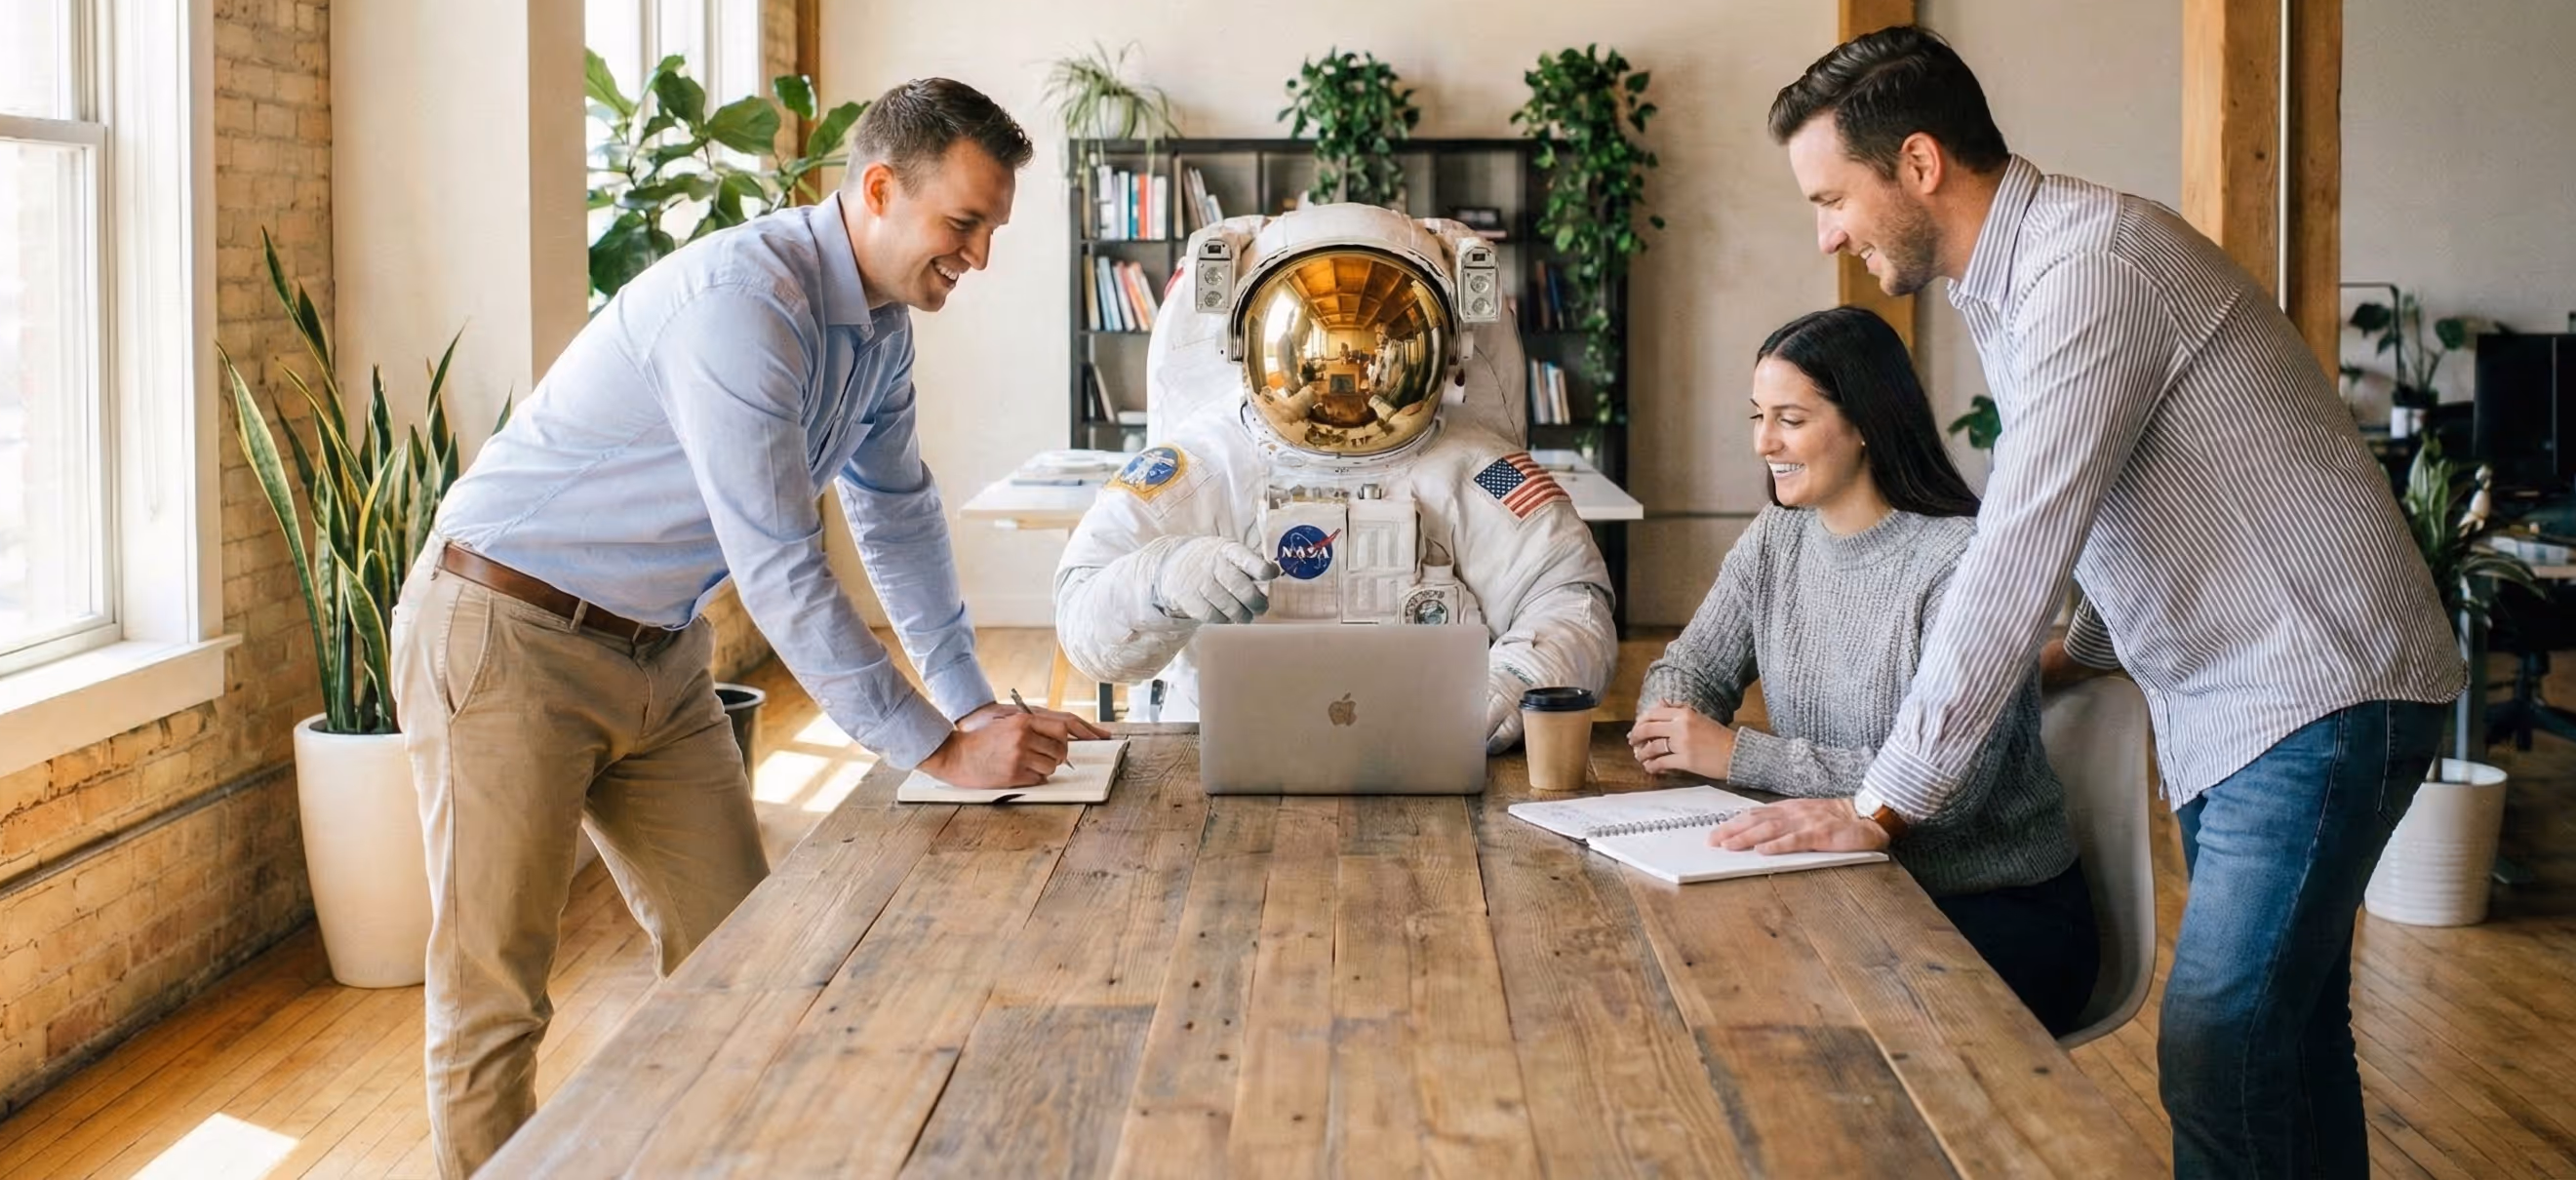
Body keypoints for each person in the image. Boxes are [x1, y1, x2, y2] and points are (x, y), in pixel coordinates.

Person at [1719, 26, 2460, 1178]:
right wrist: (2079, 652)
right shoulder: (2018, 282)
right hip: (2240, 701)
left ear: (1918, 165)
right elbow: (2134, 503)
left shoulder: (2088, 268)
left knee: (2221, 1046)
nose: (1827, 233)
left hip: (2315, 687)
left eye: (1832, 198)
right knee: (2290, 1044)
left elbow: (2018, 546)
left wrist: (1881, 805)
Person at [391, 78, 1104, 1176]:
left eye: (991, 229)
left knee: (744, 954)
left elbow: (895, 510)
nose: (979, 256)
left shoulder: (877, 328)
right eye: (965, 224)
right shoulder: (742, 303)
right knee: (496, 993)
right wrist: (935, 747)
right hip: (507, 634)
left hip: (654, 650)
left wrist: (969, 699)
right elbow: (779, 564)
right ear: (878, 189)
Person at [1628, 306, 2097, 1035]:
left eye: (1790, 418)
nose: (1764, 442)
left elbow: (1947, 795)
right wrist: (1671, 720)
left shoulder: (1959, 563)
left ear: (1867, 422)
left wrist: (1739, 753)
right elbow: (1691, 664)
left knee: (1784, 1018)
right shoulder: (1780, 535)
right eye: (1758, 416)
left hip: (1990, 908)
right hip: (1841, 884)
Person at [1052, 202, 1615, 741]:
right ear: (1243, 342)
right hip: (1213, 749)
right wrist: (1160, 579)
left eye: (1377, 347)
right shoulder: (1202, 466)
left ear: (1448, 347)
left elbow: (1570, 599)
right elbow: (1082, 623)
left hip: (1435, 745)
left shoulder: (1480, 471)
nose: (1346, 385)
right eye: (1315, 350)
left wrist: (1517, 680)